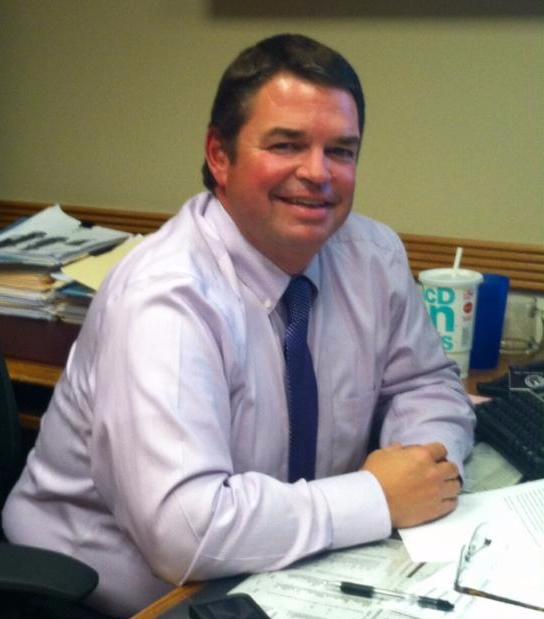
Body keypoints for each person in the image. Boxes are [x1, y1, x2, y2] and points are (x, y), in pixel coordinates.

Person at [2, 34, 475, 617]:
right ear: (219, 156)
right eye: (286, 144)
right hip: (115, 597)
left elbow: (424, 383)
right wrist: (376, 497)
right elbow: (185, 532)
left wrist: (424, 468)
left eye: (341, 151)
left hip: (287, 570)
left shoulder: (372, 256)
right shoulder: (166, 298)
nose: (318, 173)